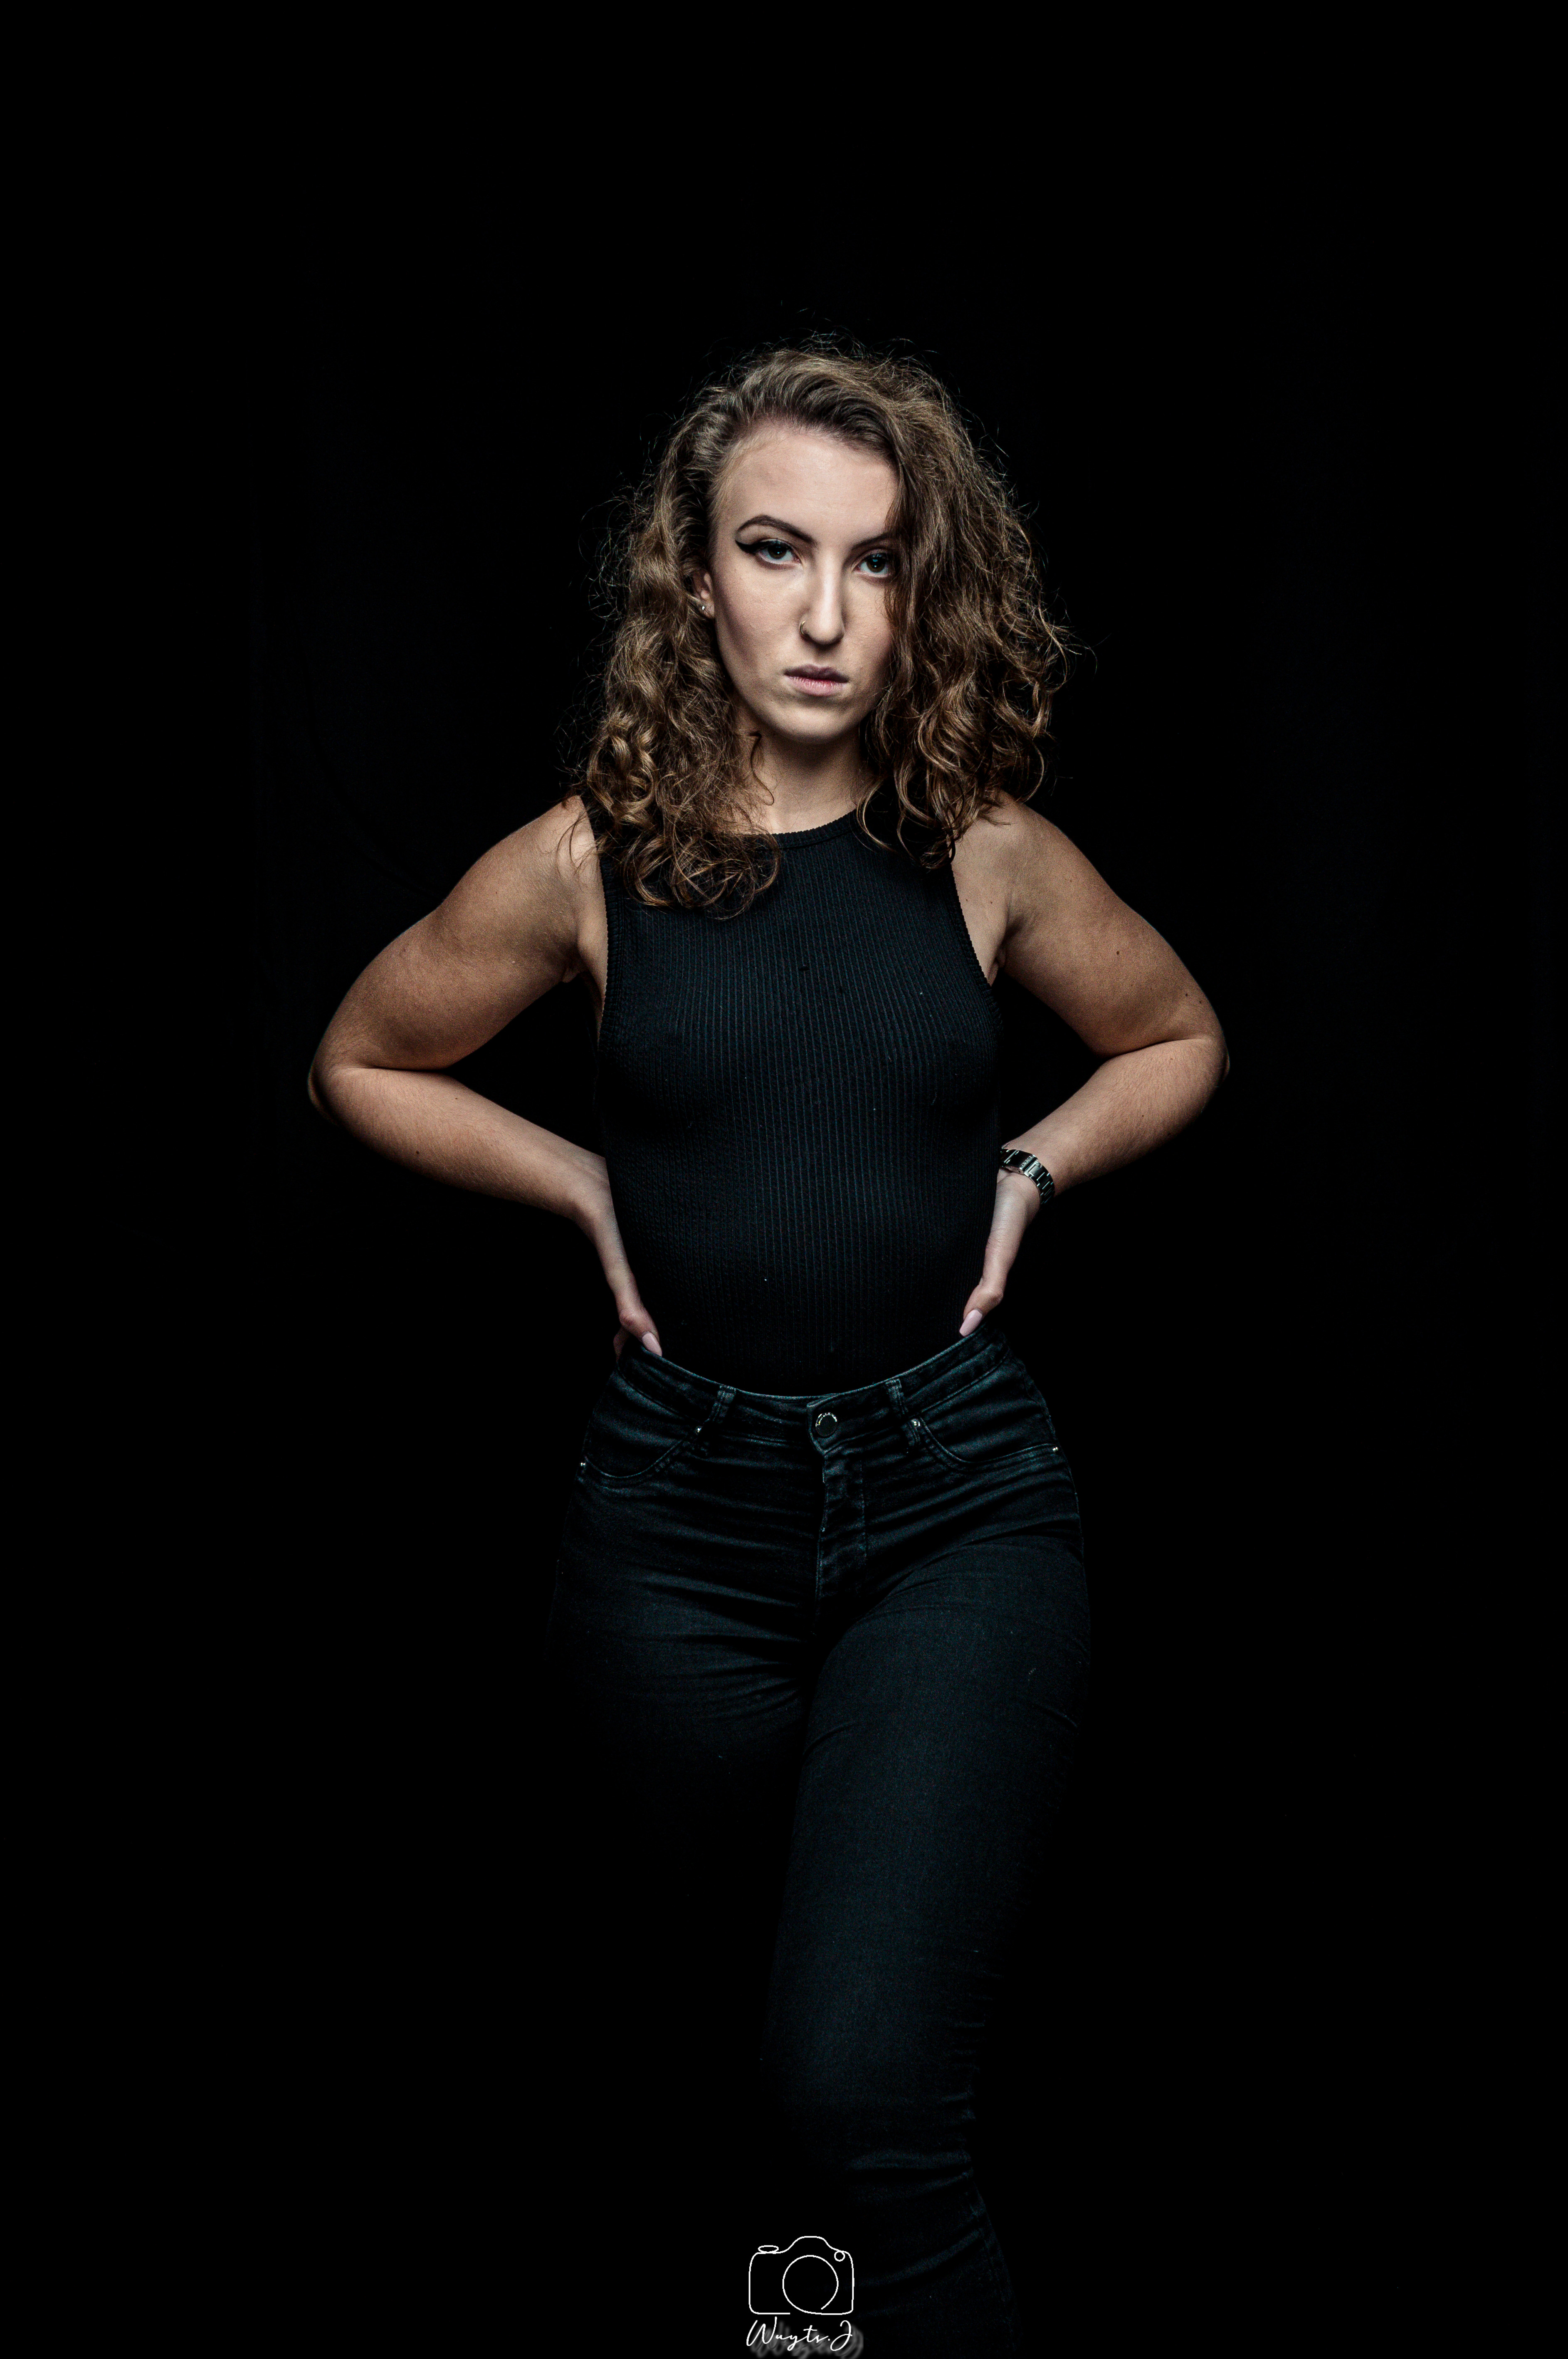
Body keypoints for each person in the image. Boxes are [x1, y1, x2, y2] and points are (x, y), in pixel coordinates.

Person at [308, 344, 1227, 2351]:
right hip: (672, 1533)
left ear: (922, 593)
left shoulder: (980, 847)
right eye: (773, 550)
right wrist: (578, 1185)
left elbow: (1174, 1032)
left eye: (874, 562)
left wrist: (1034, 1169)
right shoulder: (586, 863)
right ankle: (789, 2358)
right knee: (719, 2087)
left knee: (862, 2084)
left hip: (953, 1508)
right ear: (694, 576)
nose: (822, 614)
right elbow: (361, 1056)